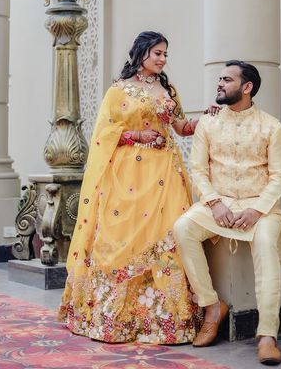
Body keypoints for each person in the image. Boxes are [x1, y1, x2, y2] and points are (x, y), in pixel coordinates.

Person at [58, 31, 211, 344]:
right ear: (141, 53)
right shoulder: (118, 91)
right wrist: (136, 136)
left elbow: (181, 128)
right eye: (157, 53)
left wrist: (205, 119)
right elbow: (103, 134)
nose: (163, 59)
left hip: (165, 173)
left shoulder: (168, 89)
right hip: (127, 174)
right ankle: (116, 317)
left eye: (165, 54)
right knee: (122, 235)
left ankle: (164, 320)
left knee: (167, 237)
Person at [173, 60, 281, 366]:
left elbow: (280, 176)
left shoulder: (271, 126)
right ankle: (212, 306)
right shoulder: (208, 124)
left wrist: (256, 210)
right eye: (220, 79)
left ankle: (267, 335)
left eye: (227, 79)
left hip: (259, 207)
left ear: (247, 87)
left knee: (266, 244)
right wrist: (214, 202)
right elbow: (198, 169)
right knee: (183, 228)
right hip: (219, 203)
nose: (219, 84)